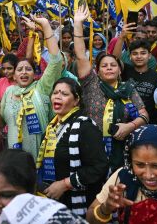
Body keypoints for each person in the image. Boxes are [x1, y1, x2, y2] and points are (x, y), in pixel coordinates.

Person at [74, 6, 149, 173]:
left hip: (123, 149)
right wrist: (78, 23)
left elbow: (144, 115)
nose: (109, 68)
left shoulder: (127, 88)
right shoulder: (90, 83)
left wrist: (129, 126)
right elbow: (80, 55)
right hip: (91, 148)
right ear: (97, 70)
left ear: (120, 70)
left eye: (113, 65)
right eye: (104, 65)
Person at [0, 15, 62, 161]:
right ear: (14, 76)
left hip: (42, 156)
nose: (23, 72)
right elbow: (1, 125)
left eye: (28, 69)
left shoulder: (41, 89)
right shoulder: (8, 92)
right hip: (15, 159)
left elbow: (56, 60)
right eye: (19, 69)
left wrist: (45, 26)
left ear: (34, 74)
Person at [36, 77, 108, 217]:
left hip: (79, 202)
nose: (58, 96)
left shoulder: (85, 127)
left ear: (76, 101)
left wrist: (65, 184)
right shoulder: (52, 128)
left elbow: (99, 167)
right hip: (54, 201)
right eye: (55, 92)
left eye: (64, 94)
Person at [86, 124, 157, 223]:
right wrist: (105, 208)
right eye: (139, 165)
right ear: (130, 161)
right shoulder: (123, 178)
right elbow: (89, 218)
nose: (148, 175)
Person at [121, 40, 157, 124]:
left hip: (149, 123)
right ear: (130, 56)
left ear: (149, 56)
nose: (139, 56)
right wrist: (121, 38)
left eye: (143, 53)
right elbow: (115, 58)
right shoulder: (125, 70)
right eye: (135, 53)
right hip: (124, 121)